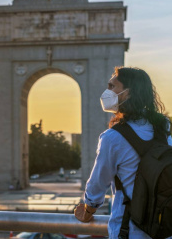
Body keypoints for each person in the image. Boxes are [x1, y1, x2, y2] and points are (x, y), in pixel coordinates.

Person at [74, 66, 172, 239]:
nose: (107, 91)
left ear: (128, 92)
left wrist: (88, 211)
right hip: (164, 228)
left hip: (129, 230)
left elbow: (98, 183)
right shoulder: (164, 129)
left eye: (112, 86)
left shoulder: (112, 137)